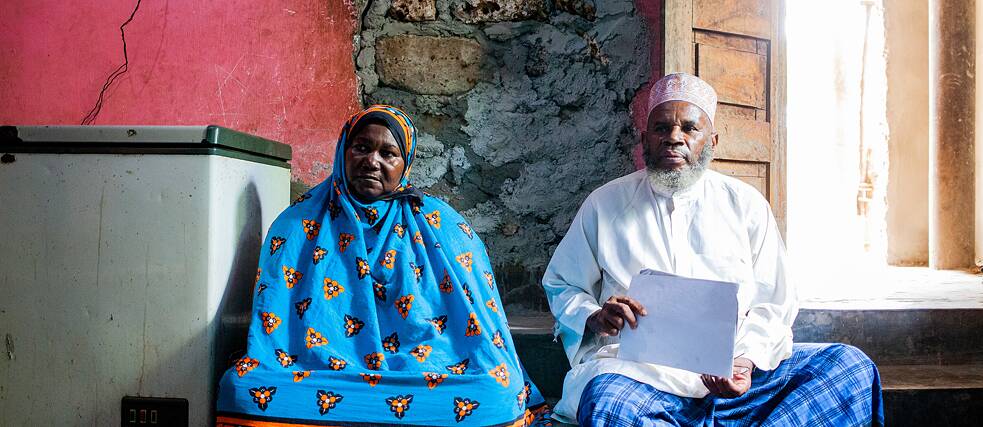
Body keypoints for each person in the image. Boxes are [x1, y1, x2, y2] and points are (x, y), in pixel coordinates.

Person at [541, 73, 884, 426]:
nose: (674, 138)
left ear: (712, 141)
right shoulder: (605, 204)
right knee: (608, 402)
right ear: (645, 138)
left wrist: (744, 362)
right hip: (639, 377)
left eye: (689, 128)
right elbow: (562, 284)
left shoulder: (745, 204)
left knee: (848, 367)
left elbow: (775, 301)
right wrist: (596, 316)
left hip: (736, 379)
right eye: (662, 128)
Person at [216, 105, 550, 426]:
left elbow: (482, 326)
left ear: (405, 164)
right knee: (242, 390)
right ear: (343, 152)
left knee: (494, 394)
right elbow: (273, 330)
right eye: (361, 147)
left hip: (427, 369)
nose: (371, 162)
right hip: (319, 372)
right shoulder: (297, 224)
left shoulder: (442, 227)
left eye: (387, 154)